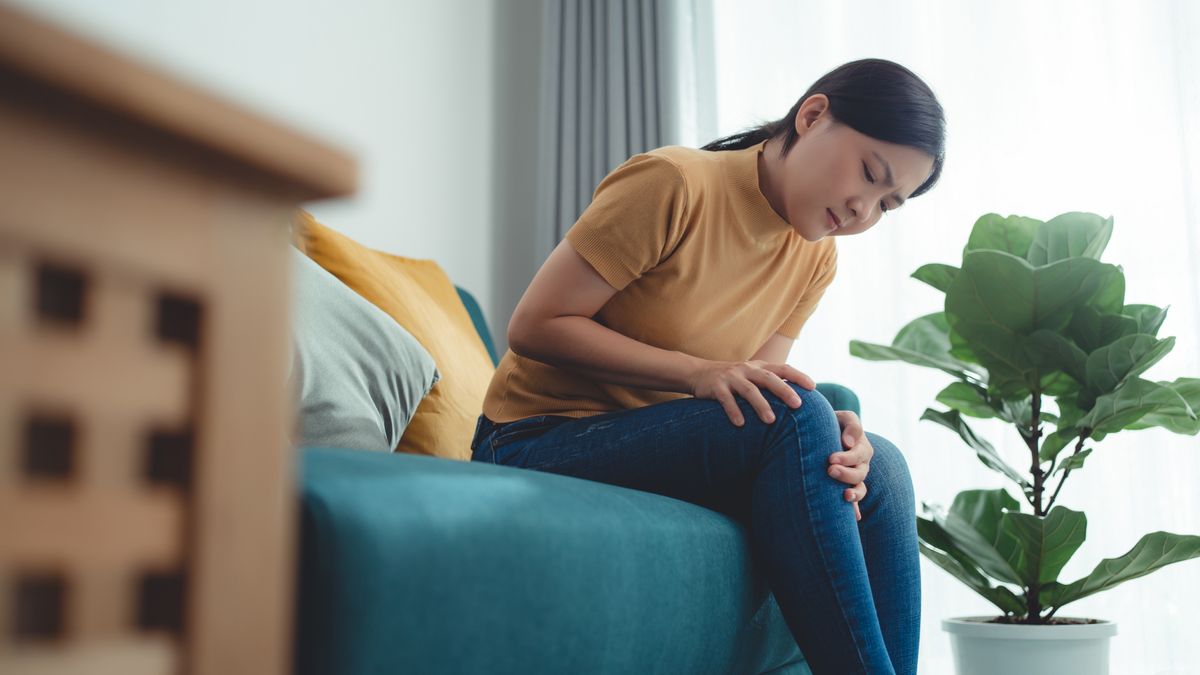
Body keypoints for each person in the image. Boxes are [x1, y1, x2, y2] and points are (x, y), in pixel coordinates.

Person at [469, 57, 946, 675]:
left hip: (665, 448)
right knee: (796, 426)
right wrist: (697, 373)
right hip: (537, 439)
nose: (864, 210)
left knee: (879, 467)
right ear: (813, 115)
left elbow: (760, 388)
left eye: (890, 202)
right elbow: (535, 325)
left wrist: (843, 427)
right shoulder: (674, 183)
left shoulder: (815, 258)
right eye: (869, 173)